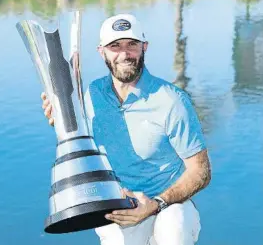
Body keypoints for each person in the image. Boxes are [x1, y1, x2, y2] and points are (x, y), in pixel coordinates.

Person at [41, 14, 211, 245]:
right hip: (119, 205)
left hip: (170, 203)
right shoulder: (91, 96)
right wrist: (61, 120)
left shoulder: (172, 101)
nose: (124, 54)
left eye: (132, 45)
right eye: (115, 46)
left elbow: (200, 171)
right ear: (102, 51)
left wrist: (157, 203)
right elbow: (81, 145)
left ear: (144, 47)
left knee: (174, 226)